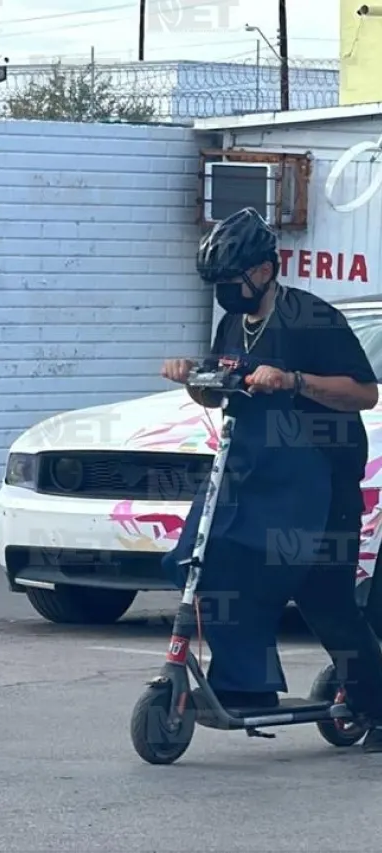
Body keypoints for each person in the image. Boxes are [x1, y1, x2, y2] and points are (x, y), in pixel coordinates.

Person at [160, 206, 382, 750]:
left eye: (231, 280)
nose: (224, 291)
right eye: (217, 283)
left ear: (264, 270)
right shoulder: (232, 323)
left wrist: (293, 380)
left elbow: (364, 393)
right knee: (216, 566)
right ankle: (247, 686)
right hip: (256, 474)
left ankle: (376, 701)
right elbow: (223, 392)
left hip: (321, 479)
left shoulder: (312, 318)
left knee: (323, 597)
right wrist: (194, 381)